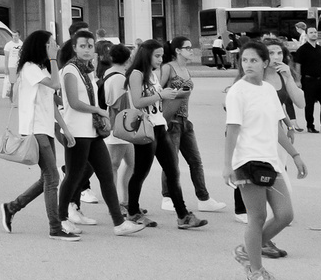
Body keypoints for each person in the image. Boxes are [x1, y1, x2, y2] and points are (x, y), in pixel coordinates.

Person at [223, 41, 307, 280]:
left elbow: (277, 128)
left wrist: (295, 155)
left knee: (285, 215)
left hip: (271, 161)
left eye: (254, 60)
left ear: (265, 63)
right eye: (245, 60)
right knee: (257, 217)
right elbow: (232, 129)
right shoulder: (237, 91)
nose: (248, 64)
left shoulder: (269, 90)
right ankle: (256, 270)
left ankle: (248, 249)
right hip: (247, 161)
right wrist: (227, 165)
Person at [55, 33, 142, 236]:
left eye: (90, 46)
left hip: (92, 132)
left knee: (105, 174)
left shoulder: (87, 71)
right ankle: (61, 218)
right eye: (82, 45)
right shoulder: (70, 70)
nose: (87, 49)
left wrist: (98, 115)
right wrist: (99, 111)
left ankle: (119, 223)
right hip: (76, 132)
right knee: (73, 176)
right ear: (74, 48)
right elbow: (73, 102)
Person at [0, 31, 77, 241]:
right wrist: (53, 59)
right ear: (41, 46)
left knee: (47, 177)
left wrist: (65, 129)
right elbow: (56, 85)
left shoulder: (41, 68)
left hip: (45, 128)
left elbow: (51, 102)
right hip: (35, 130)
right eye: (51, 43)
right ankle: (55, 227)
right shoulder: (30, 68)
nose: (56, 46)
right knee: (53, 178)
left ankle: (12, 207)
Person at [124, 40, 207, 230]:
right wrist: (162, 96)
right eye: (157, 56)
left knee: (173, 171)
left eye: (162, 55)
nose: (161, 60)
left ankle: (183, 215)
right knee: (140, 173)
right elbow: (137, 102)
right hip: (147, 128)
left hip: (160, 126)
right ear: (146, 55)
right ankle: (133, 212)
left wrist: (174, 94)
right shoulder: (137, 74)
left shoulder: (153, 75)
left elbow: (157, 100)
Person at [158, 37, 225, 214]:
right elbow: (158, 92)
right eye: (187, 48)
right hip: (171, 120)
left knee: (196, 161)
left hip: (185, 121)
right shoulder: (168, 68)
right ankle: (167, 196)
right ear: (178, 51)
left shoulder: (186, 69)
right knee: (171, 162)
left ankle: (204, 198)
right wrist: (176, 93)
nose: (191, 50)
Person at [100, 45, 135, 208]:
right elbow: (119, 106)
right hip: (119, 127)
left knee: (130, 163)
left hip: (117, 126)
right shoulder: (120, 78)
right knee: (114, 165)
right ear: (128, 59)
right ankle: (115, 204)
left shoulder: (108, 73)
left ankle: (127, 201)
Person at [291, 26, 321, 133]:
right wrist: (298, 80)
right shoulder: (302, 49)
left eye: (315, 32)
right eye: (311, 32)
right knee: (309, 104)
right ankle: (310, 126)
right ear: (306, 35)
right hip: (308, 80)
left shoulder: (320, 49)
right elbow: (298, 66)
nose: (314, 34)